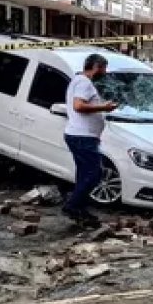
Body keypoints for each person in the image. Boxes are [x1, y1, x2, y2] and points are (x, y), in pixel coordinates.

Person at [63, 54, 119, 226]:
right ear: (95, 66)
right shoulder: (84, 82)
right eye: (103, 67)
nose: (105, 71)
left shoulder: (78, 81)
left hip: (81, 135)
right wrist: (105, 107)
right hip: (82, 136)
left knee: (84, 174)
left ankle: (80, 209)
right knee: (94, 174)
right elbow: (78, 106)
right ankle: (73, 205)